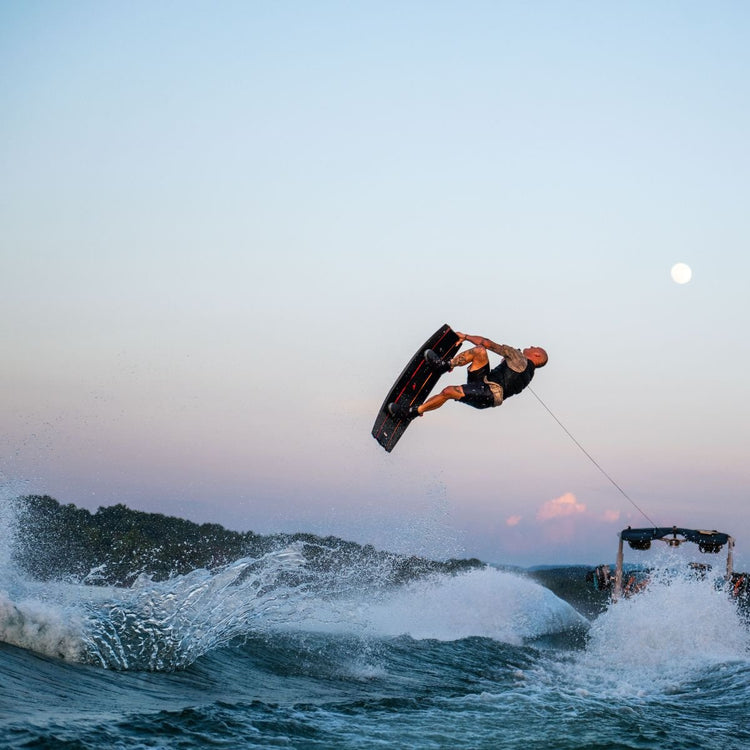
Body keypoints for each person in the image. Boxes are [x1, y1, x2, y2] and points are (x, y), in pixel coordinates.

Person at [388, 332, 548, 421]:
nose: (531, 346)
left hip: (488, 394)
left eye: (534, 347)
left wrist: (464, 336)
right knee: (479, 351)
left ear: (537, 355)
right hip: (484, 383)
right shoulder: (529, 373)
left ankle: (412, 412)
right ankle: (445, 365)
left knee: (449, 391)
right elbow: (509, 378)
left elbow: (487, 342)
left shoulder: (520, 358)